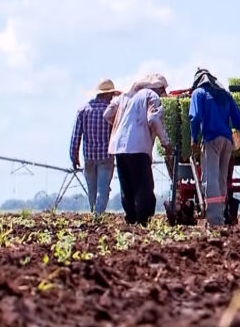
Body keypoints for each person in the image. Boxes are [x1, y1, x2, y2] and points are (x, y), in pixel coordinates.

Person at [104, 74, 171, 226]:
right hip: (138, 146)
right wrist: (165, 142)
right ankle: (143, 219)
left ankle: (131, 218)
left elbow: (107, 114)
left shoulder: (124, 97)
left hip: (119, 146)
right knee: (143, 185)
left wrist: (121, 125)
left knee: (126, 185)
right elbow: (153, 119)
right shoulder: (150, 95)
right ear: (158, 88)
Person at [189, 68, 240, 227]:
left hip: (211, 140)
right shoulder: (225, 95)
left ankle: (214, 221)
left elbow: (195, 117)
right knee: (221, 179)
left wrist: (193, 138)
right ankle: (220, 217)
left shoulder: (198, 93)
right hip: (227, 142)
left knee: (211, 179)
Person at [69, 79, 120, 215]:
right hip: (106, 157)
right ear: (108, 95)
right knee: (102, 190)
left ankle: (94, 215)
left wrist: (74, 157)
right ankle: (97, 216)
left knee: (92, 190)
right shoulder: (112, 112)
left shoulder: (83, 110)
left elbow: (76, 136)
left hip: (89, 157)